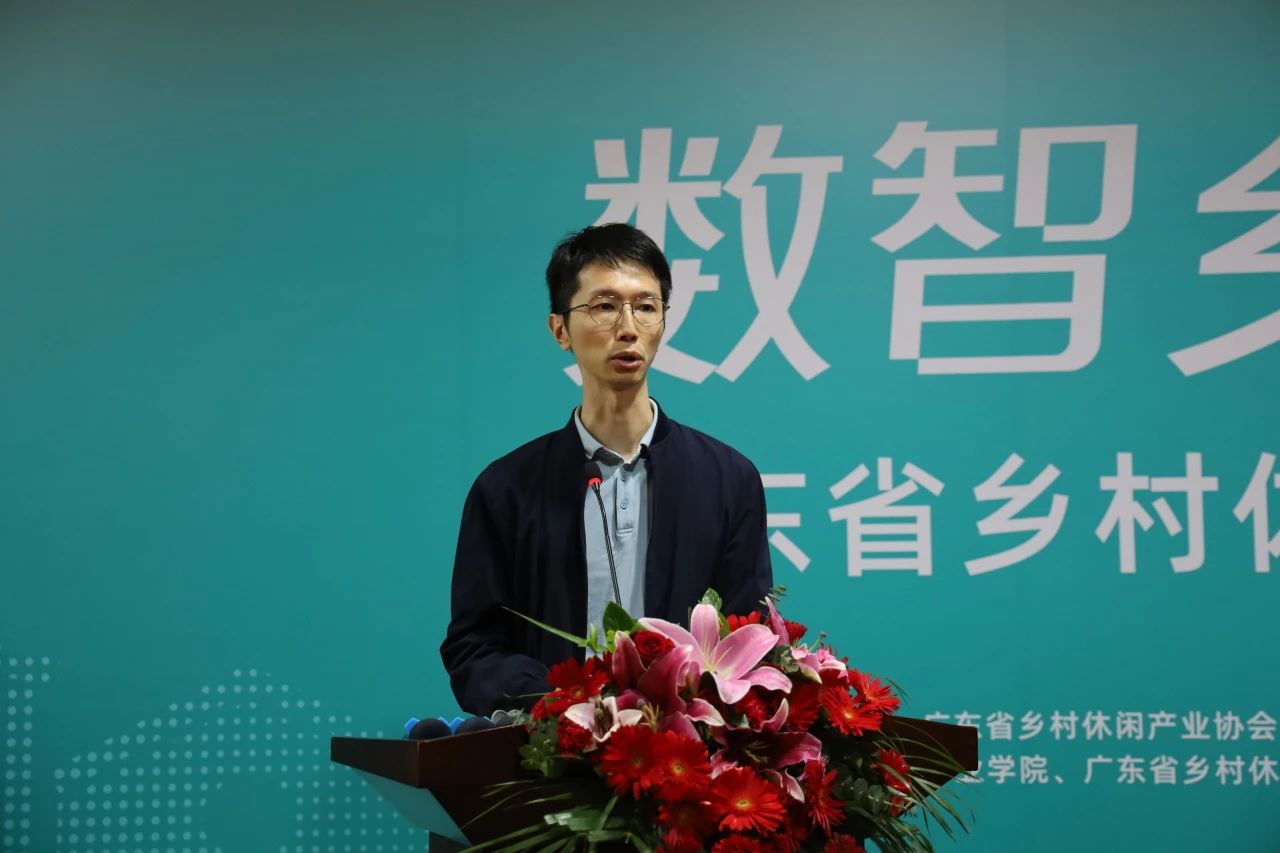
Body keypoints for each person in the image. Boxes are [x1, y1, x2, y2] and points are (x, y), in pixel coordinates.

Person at [440, 223, 773, 716]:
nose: (628, 327)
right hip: (552, 744)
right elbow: (475, 647)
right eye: (604, 306)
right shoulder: (506, 488)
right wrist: (562, 705)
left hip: (685, 750)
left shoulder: (727, 479)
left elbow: (749, 637)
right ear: (560, 330)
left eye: (646, 306)